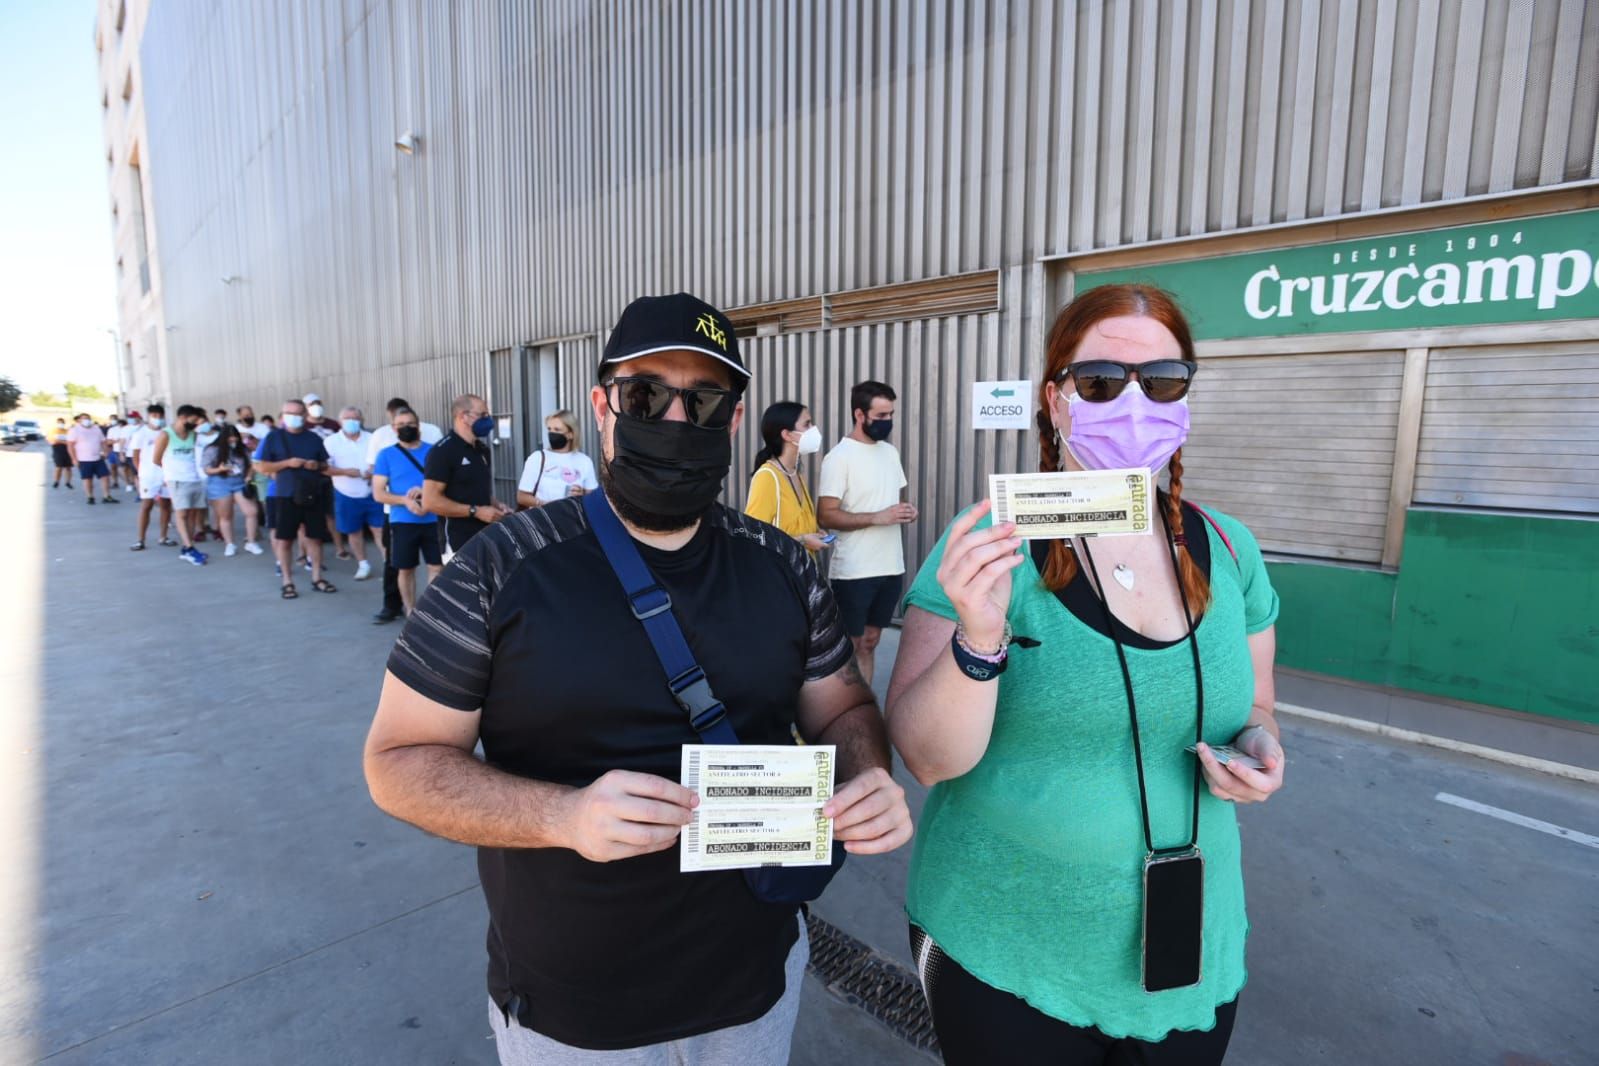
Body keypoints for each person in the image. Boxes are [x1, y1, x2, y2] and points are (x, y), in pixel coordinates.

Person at [362, 292, 912, 1063]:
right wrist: (562, 817)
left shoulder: (781, 564)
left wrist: (866, 775)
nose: (677, 420)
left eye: (705, 399)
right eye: (647, 394)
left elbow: (842, 704)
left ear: (733, 413)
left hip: (755, 980)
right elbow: (397, 763)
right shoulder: (499, 568)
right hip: (574, 1011)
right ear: (602, 406)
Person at [884, 285, 1285, 1065]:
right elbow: (929, 760)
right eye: (1101, 381)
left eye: (1161, 380)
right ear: (1056, 400)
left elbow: (1259, 700)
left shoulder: (1230, 549)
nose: (1134, 403)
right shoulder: (988, 547)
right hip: (1004, 950)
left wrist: (1260, 745)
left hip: (1190, 948)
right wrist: (979, 633)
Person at [817, 381, 916, 685]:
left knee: (871, 641)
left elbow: (889, 500)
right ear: (859, 415)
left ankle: (867, 710)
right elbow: (826, 515)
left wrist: (905, 511)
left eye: (891, 415)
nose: (888, 422)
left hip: (890, 566)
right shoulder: (838, 458)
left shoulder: (889, 452)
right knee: (851, 646)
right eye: (881, 415)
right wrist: (878, 517)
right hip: (854, 571)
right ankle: (846, 714)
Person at [365, 398, 444, 624]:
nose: (406, 427)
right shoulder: (386, 455)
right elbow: (378, 493)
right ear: (393, 428)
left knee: (436, 566)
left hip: (433, 519)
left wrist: (425, 491)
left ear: (418, 425)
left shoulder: (434, 452)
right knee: (405, 568)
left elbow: (446, 483)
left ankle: (429, 610)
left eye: (410, 423)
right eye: (400, 424)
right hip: (402, 520)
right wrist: (404, 501)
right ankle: (410, 610)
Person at [255, 399, 335, 598]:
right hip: (285, 494)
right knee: (285, 540)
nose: (293, 417)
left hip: (312, 493)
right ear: (282, 415)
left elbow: (325, 466)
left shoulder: (313, 438)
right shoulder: (274, 437)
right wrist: (287, 463)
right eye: (289, 413)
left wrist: (315, 466)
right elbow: (263, 467)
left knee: (315, 538)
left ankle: (317, 577)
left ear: (304, 415)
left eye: (298, 413)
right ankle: (287, 580)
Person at [421, 393, 509, 556]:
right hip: (458, 542)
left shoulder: (482, 450)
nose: (487, 419)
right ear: (463, 416)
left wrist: (496, 505)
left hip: (485, 536)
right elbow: (430, 501)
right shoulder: (442, 452)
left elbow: (475, 490)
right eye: (482, 414)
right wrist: (476, 511)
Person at [745, 401, 829, 554]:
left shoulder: (795, 473)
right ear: (787, 435)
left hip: (802, 575)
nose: (813, 430)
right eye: (807, 424)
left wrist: (815, 534)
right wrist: (803, 540)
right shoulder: (767, 477)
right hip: (780, 575)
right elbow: (753, 536)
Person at [325, 405, 384, 580]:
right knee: (353, 531)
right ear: (340, 422)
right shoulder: (331, 442)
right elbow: (324, 468)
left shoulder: (373, 439)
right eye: (347, 419)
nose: (351, 422)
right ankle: (363, 564)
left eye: (355, 419)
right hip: (346, 493)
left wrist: (373, 471)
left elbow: (383, 461)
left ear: (362, 421)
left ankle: (388, 564)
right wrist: (344, 472)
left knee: (380, 530)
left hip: (373, 491)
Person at [152, 405, 208, 565]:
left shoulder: (193, 435)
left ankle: (187, 546)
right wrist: (171, 473)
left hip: (194, 479)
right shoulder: (166, 435)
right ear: (183, 417)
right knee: (181, 513)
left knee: (192, 514)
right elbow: (156, 459)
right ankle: (189, 548)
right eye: (194, 419)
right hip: (176, 480)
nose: (196, 423)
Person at [514, 409, 597, 509]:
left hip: (572, 520)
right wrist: (547, 505)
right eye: (549, 429)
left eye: (557, 430)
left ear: (570, 434)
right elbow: (521, 497)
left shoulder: (584, 461)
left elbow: (592, 498)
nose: (552, 433)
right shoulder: (537, 458)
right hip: (543, 520)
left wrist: (581, 494)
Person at [202, 423, 262, 556]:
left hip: (240, 482)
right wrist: (220, 469)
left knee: (252, 511)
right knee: (226, 516)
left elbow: (252, 464)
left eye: (235, 437)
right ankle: (230, 544)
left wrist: (248, 476)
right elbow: (206, 469)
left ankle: (251, 542)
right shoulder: (212, 449)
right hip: (220, 483)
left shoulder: (242, 449)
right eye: (230, 437)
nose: (233, 440)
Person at [129, 405, 174, 550]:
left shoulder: (168, 433)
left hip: (166, 474)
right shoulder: (140, 434)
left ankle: (163, 537)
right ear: (148, 416)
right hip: (148, 476)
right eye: (155, 415)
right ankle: (140, 539)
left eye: (160, 415)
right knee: (146, 506)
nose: (158, 418)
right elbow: (135, 457)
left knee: (166, 506)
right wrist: (141, 473)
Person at [67, 413, 118, 505]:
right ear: (79, 420)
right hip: (84, 459)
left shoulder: (96, 429)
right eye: (84, 419)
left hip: (97, 458)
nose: (87, 420)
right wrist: (74, 459)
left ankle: (106, 496)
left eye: (88, 418)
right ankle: (90, 497)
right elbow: (70, 445)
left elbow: (103, 441)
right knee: (87, 478)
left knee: (105, 476)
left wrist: (106, 451)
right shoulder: (74, 430)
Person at [48, 418, 74, 489]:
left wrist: (59, 441)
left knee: (68, 467)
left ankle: (68, 482)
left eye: (62, 422)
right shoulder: (53, 431)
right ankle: (56, 481)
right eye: (59, 423)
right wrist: (64, 442)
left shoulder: (67, 431)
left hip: (67, 451)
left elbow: (70, 441)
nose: (61, 424)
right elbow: (52, 441)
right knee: (58, 467)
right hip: (57, 451)